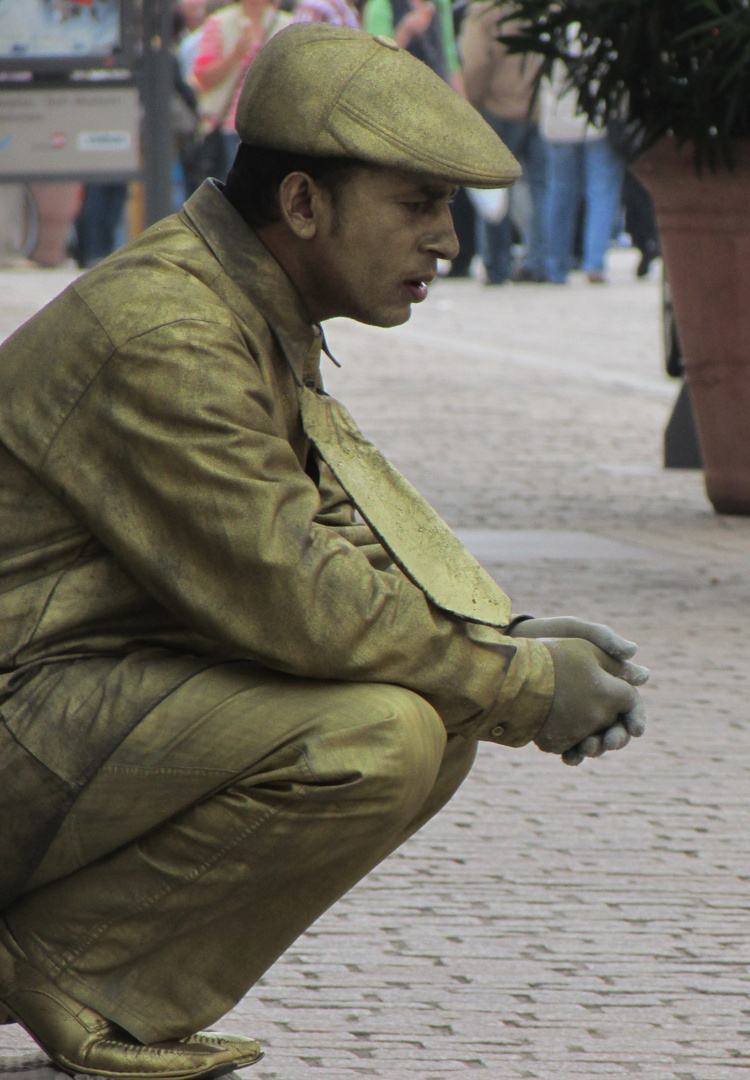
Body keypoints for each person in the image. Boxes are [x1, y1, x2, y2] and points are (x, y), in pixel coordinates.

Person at [0, 24, 648, 1080]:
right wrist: (524, 681)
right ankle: (69, 970)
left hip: (56, 703)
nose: (446, 239)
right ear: (302, 205)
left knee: (430, 708)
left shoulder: (236, 303)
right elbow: (304, 600)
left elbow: (335, 544)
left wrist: (504, 640)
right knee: (379, 733)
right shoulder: (169, 332)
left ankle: (96, 980)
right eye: (416, 204)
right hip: (25, 707)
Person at [363, 0, 479, 278]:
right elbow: (373, 61)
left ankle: (448, 258)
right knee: (407, 189)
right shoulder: (384, 5)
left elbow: (450, 60)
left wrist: (467, 115)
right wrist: (405, 29)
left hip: (438, 112)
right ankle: (405, 257)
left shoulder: (439, 6)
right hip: (399, 115)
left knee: (441, 188)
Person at [460, 0, 546, 285]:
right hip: (534, 107)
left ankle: (498, 266)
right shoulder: (540, 6)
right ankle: (541, 261)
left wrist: (473, 102)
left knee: (493, 188)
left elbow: (476, 62)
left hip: (497, 107)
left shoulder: (485, 10)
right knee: (541, 189)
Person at [537, 63, 625, 284]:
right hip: (598, 116)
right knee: (602, 192)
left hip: (559, 117)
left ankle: (555, 266)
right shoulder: (602, 29)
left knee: (559, 193)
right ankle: (594, 263)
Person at [190, 0, 292, 188]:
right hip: (228, 126)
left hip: (271, 128)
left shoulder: (286, 25)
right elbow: (203, 77)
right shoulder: (219, 23)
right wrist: (236, 54)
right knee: (231, 193)